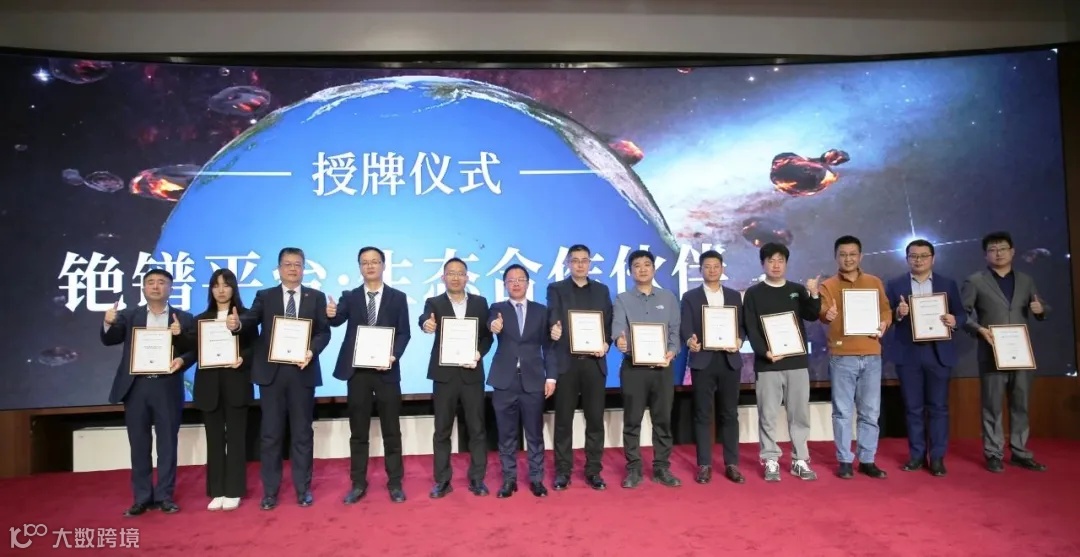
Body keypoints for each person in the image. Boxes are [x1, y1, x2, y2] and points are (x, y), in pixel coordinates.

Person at [226, 247, 332, 510]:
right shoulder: (266, 296)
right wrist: (237, 324)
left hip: (302, 371)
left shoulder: (315, 297)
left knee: (302, 434)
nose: (293, 269)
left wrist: (311, 351)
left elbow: (324, 332)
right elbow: (251, 318)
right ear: (279, 268)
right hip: (271, 374)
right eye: (287, 264)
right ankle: (270, 492)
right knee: (270, 434)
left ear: (304, 268)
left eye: (298, 264)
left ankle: (303, 489)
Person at [100, 269, 195, 517]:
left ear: (170, 289)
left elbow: (193, 350)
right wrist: (108, 322)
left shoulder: (183, 318)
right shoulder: (129, 316)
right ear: (143, 288)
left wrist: (182, 359)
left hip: (166, 385)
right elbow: (110, 340)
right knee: (139, 444)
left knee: (167, 444)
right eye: (150, 282)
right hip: (137, 387)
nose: (155, 286)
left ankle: (164, 496)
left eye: (161, 282)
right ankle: (141, 497)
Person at [327, 247, 411, 504]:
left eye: (375, 261)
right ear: (359, 267)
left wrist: (393, 356)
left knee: (391, 430)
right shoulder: (350, 296)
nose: (370, 266)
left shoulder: (398, 297)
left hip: (387, 370)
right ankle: (358, 483)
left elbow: (404, 333)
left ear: (384, 265)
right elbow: (337, 320)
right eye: (365, 262)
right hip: (358, 372)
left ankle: (395, 483)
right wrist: (331, 313)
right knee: (358, 431)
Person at [961, 231, 1049, 473]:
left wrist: (1040, 309)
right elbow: (962, 314)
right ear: (985, 255)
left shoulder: (1026, 280)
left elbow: (1041, 306)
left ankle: (1020, 452)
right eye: (992, 250)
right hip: (992, 351)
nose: (998, 253)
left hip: (1022, 353)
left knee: (1021, 404)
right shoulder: (975, 281)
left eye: (1002, 248)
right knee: (992, 405)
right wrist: (979, 329)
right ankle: (993, 453)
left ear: (1012, 251)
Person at [884, 239, 966, 477]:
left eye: (923, 256)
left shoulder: (947, 284)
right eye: (913, 256)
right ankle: (916, 456)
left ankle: (937, 457)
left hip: (938, 353)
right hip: (908, 354)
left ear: (933, 258)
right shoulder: (895, 284)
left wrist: (955, 320)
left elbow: (961, 314)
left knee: (939, 408)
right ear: (907, 259)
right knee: (913, 408)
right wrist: (897, 313)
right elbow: (886, 316)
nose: (918, 260)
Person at [742, 243, 822, 482]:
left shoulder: (797, 290)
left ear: (786, 263)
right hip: (768, 363)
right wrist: (765, 352)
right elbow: (751, 327)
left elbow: (811, 314)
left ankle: (800, 459)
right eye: (771, 260)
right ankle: (770, 459)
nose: (776, 265)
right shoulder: (754, 293)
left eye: (780, 260)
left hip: (796, 362)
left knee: (799, 414)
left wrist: (814, 294)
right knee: (767, 414)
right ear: (762, 264)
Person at [818, 235, 892, 480]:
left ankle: (867, 459)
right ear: (836, 257)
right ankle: (844, 460)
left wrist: (885, 322)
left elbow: (885, 310)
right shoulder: (828, 285)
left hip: (871, 354)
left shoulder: (874, 282)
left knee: (870, 412)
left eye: (852, 254)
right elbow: (822, 313)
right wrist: (827, 315)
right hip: (842, 356)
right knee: (842, 412)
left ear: (860, 256)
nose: (848, 259)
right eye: (843, 254)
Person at [420, 257, 494, 498]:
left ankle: (477, 479)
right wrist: (426, 325)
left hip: (472, 373)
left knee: (477, 428)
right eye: (450, 273)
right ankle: (442, 480)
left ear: (467, 277)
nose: (455, 277)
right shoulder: (434, 302)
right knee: (442, 430)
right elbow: (425, 320)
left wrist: (478, 353)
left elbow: (487, 337)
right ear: (443, 277)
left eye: (460, 273)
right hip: (444, 375)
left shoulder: (480, 303)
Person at [184, 268, 257, 511]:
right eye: (216, 285)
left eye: (226, 285)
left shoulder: (246, 317)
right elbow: (193, 350)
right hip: (209, 387)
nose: (222, 290)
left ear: (234, 288)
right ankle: (217, 490)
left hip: (236, 383)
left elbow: (255, 348)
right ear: (211, 290)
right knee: (214, 440)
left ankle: (234, 490)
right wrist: (178, 336)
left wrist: (243, 359)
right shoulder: (201, 319)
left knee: (236, 439)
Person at [611, 249, 682, 489]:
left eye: (646, 264)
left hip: (662, 369)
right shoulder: (623, 299)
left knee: (663, 420)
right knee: (632, 420)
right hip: (634, 369)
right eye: (637, 266)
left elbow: (675, 331)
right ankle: (634, 468)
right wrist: (620, 341)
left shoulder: (668, 298)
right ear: (631, 272)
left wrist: (672, 351)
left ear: (653, 268)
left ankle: (662, 467)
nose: (642, 269)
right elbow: (618, 328)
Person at [546, 244, 613, 491]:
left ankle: (593, 470)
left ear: (590, 263)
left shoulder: (602, 290)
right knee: (563, 421)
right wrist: (553, 327)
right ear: (567, 263)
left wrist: (606, 343)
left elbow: (608, 322)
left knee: (594, 420)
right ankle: (563, 471)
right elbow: (553, 314)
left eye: (584, 260)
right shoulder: (556, 289)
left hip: (594, 363)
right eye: (575, 260)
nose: (580, 265)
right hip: (567, 363)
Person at [487, 264, 555, 498]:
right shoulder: (497, 308)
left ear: (528, 283)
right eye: (511, 280)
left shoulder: (541, 311)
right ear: (505, 284)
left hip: (533, 380)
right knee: (506, 435)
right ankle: (509, 479)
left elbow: (549, 347)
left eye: (520, 279)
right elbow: (490, 325)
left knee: (534, 433)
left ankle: (536, 478)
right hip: (504, 380)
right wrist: (493, 325)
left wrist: (551, 377)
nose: (515, 283)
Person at [679, 250, 747, 484]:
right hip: (703, 360)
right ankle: (705, 464)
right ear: (700, 270)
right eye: (707, 266)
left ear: (722, 269)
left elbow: (742, 326)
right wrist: (690, 340)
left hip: (729, 360)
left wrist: (739, 340)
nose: (712, 270)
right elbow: (685, 326)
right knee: (702, 413)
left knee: (730, 413)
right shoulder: (690, 297)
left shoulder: (734, 296)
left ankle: (732, 464)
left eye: (716, 266)